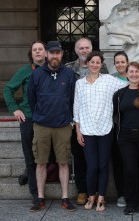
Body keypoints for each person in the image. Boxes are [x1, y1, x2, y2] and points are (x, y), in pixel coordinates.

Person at [28, 41, 77, 212]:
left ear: (62, 54)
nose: (55, 56)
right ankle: (40, 198)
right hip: (42, 125)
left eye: (58, 53)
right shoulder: (37, 74)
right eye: (52, 53)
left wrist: (69, 118)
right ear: (47, 54)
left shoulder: (70, 74)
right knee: (40, 163)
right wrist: (39, 115)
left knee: (63, 162)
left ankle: (65, 198)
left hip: (63, 125)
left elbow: (73, 99)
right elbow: (32, 99)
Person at [74, 51, 126, 212]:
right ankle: (91, 196)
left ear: (101, 64)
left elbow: (130, 83)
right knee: (92, 166)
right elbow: (76, 107)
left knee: (103, 165)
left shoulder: (110, 81)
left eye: (98, 62)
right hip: (87, 130)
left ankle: (101, 198)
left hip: (105, 129)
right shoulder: (80, 84)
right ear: (87, 63)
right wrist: (78, 130)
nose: (95, 65)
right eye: (92, 62)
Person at [65, 37, 108, 206]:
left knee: (98, 161)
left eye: (87, 48)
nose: (84, 50)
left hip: (98, 124)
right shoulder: (68, 68)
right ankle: (83, 191)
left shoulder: (102, 67)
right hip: (75, 121)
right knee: (80, 157)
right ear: (76, 50)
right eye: (81, 48)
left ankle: (98, 192)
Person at [3, 40, 47, 202]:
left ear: (46, 52)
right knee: (30, 157)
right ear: (32, 53)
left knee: (46, 156)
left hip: (48, 119)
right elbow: (8, 89)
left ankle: (31, 176)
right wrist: (15, 108)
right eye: (34, 50)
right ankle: (35, 193)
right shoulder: (25, 70)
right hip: (28, 117)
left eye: (40, 49)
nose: (37, 52)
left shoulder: (52, 70)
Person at [113, 62, 139, 215]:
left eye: (137, 71)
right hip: (125, 137)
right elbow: (116, 114)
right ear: (127, 73)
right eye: (131, 72)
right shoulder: (120, 94)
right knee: (129, 170)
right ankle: (130, 201)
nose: (134, 74)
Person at [111, 51, 130, 207]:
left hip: (133, 127)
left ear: (128, 62)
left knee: (132, 162)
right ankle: (121, 194)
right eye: (117, 62)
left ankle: (133, 193)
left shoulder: (136, 78)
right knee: (118, 162)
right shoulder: (110, 80)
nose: (120, 64)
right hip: (116, 127)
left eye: (123, 61)